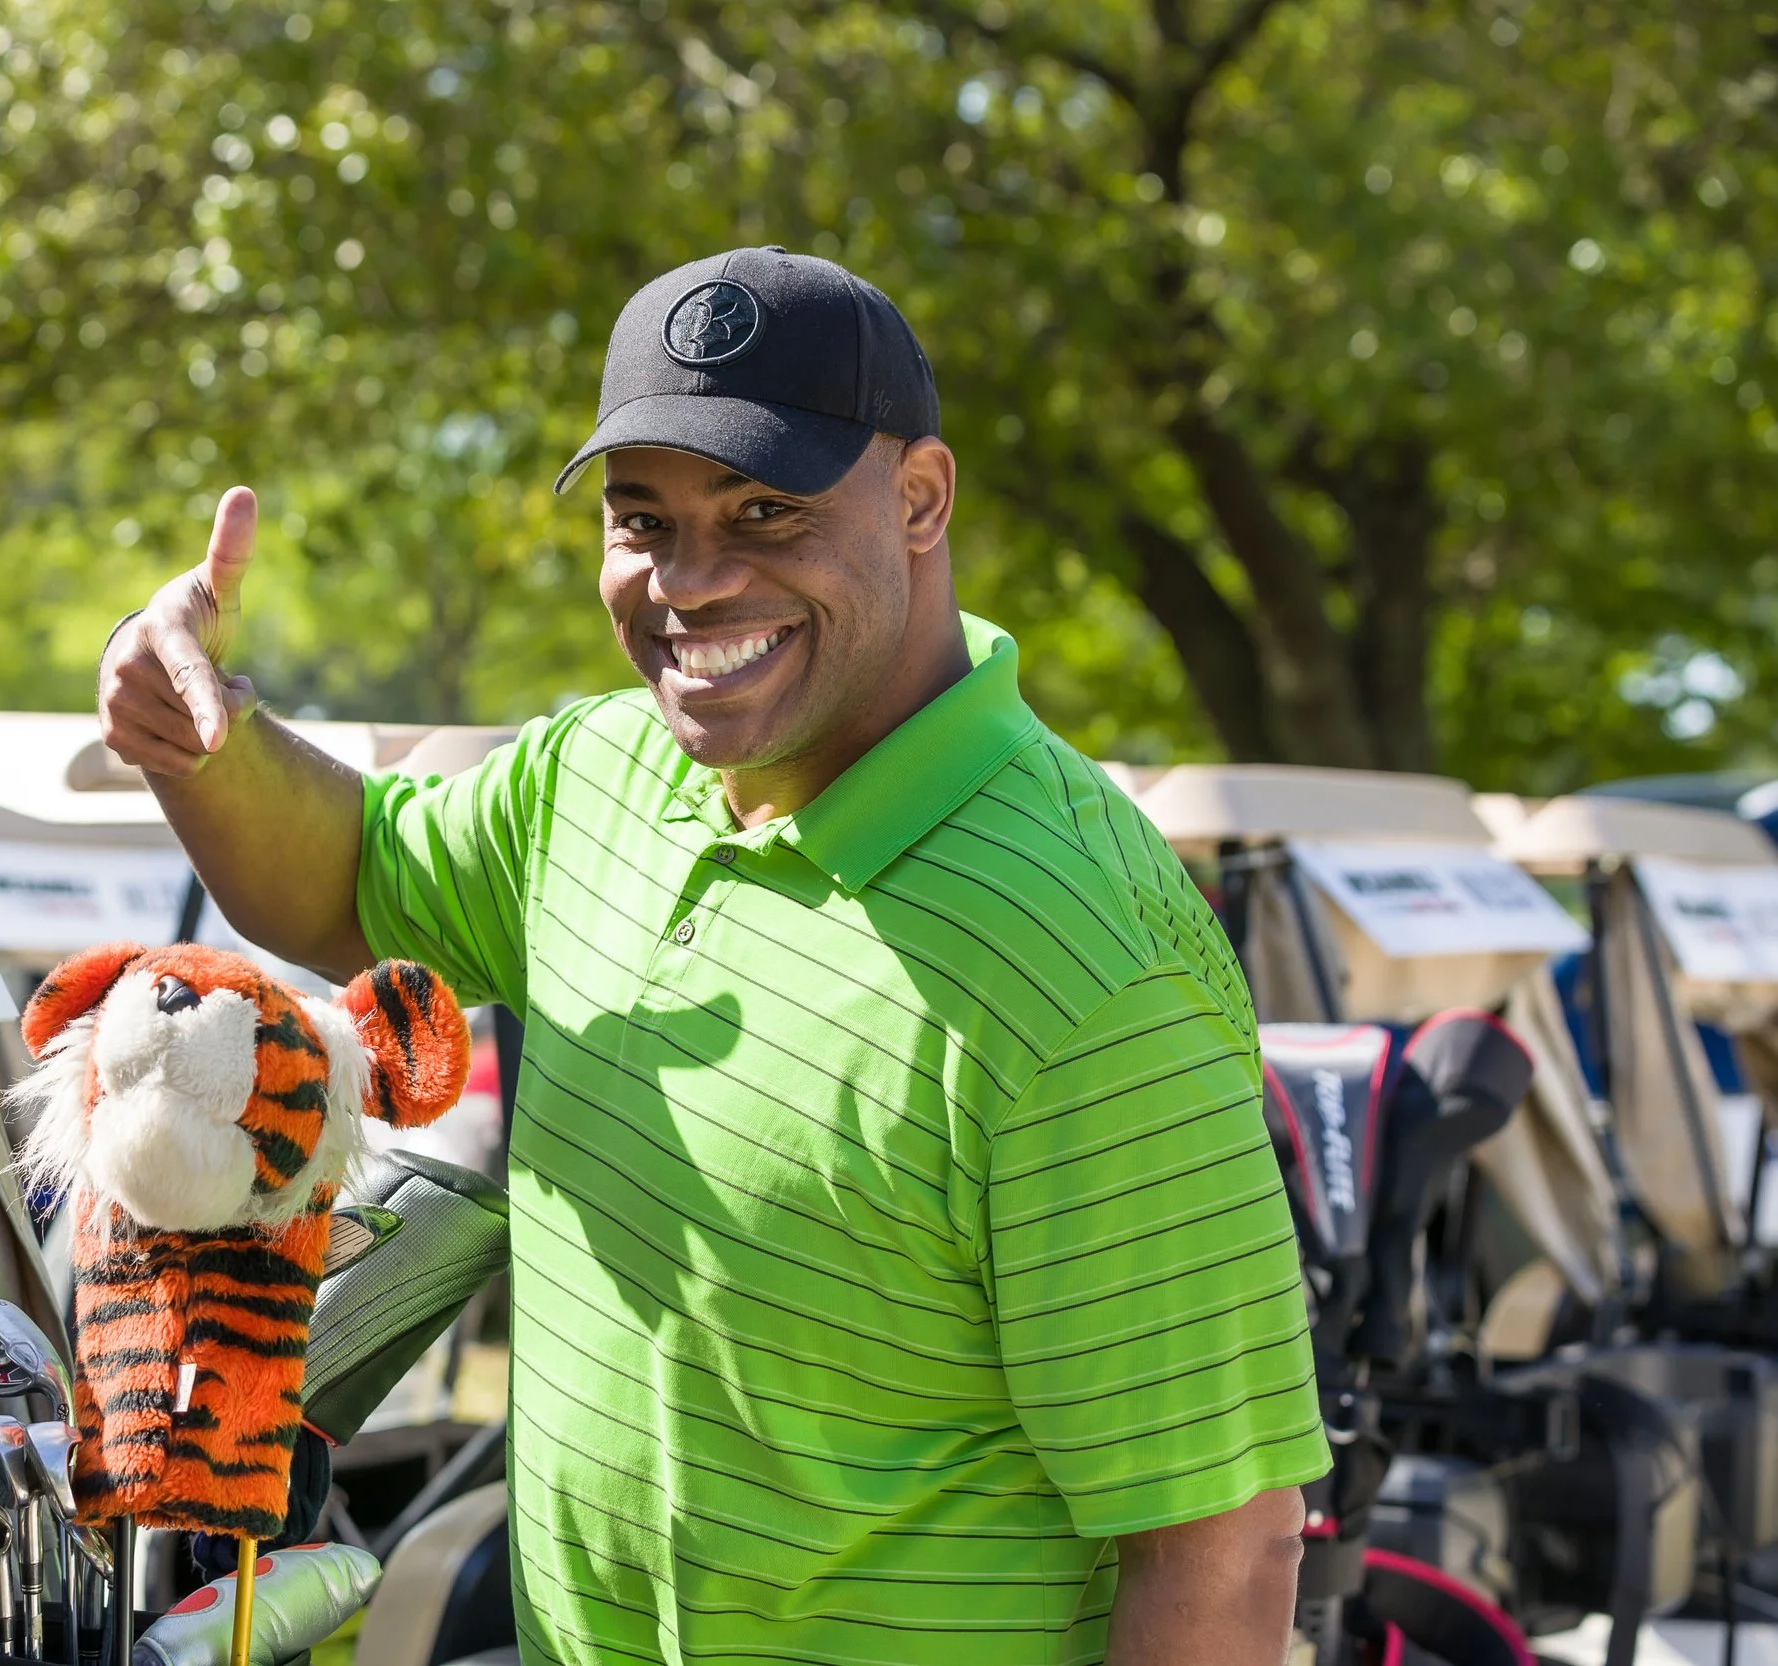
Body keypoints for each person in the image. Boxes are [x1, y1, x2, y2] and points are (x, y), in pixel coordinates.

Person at [97, 248, 1328, 1666]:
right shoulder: (595, 777)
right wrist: (198, 735)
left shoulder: (1087, 954)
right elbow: (345, 882)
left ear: (921, 499)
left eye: (765, 510)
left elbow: (1221, 1550)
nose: (691, 580)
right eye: (644, 520)